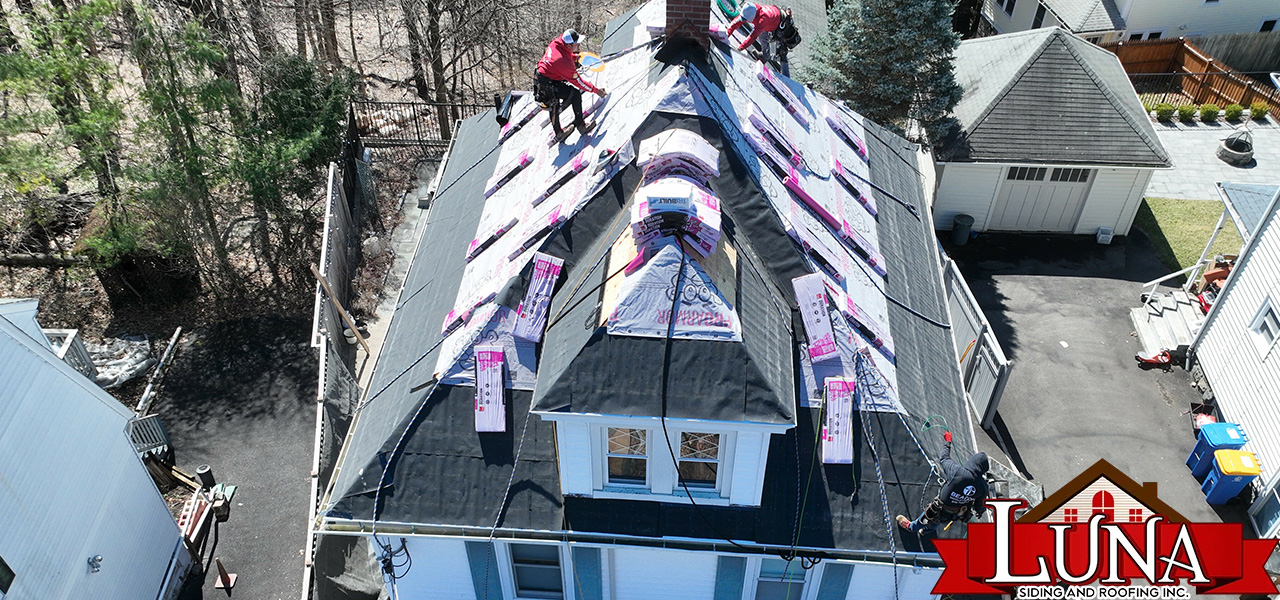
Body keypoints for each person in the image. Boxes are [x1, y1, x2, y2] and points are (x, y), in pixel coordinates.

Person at [897, 431, 990, 535]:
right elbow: (980, 506)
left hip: (939, 506)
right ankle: (925, 531)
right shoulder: (983, 486)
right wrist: (980, 512)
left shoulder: (958, 472)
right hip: (955, 513)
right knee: (939, 521)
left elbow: (944, 458)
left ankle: (912, 527)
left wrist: (948, 442)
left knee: (928, 517)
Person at [535, 29, 607, 142]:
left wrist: (574, 57)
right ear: (569, 45)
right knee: (558, 102)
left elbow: (564, 53)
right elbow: (579, 83)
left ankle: (576, 125)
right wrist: (596, 90)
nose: (579, 45)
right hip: (546, 82)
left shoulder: (557, 42)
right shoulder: (564, 63)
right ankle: (571, 129)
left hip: (547, 75)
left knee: (567, 97)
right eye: (576, 44)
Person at [726, 4, 795, 73]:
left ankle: (785, 76)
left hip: (781, 25)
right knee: (762, 36)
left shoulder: (761, 20)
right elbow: (737, 22)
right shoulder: (751, 9)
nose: (744, 21)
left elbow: (752, 37)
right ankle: (765, 56)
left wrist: (740, 48)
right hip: (771, 20)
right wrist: (726, 34)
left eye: (746, 20)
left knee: (782, 51)